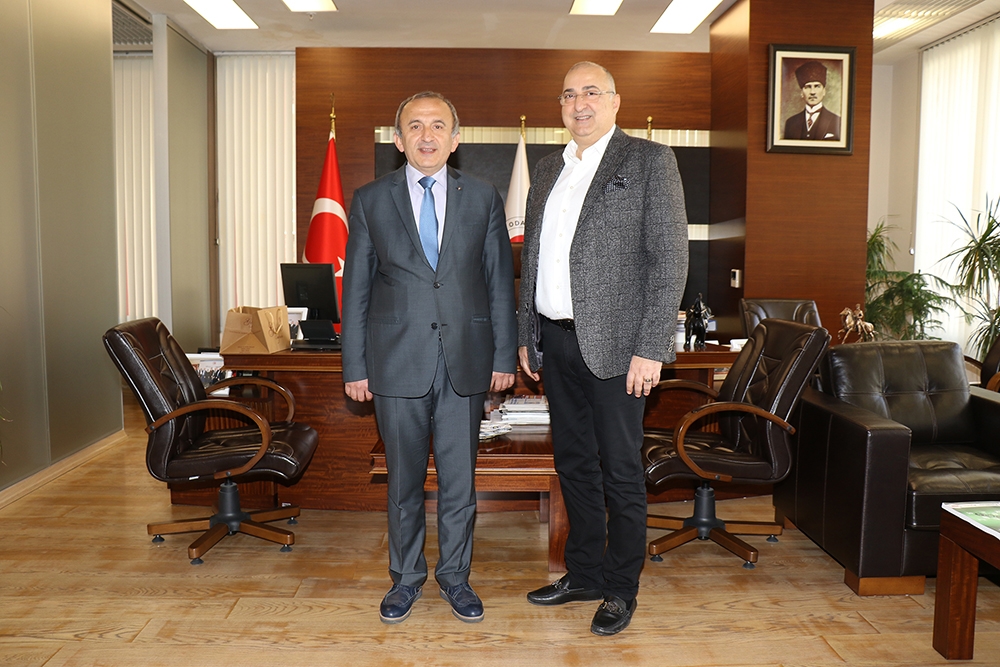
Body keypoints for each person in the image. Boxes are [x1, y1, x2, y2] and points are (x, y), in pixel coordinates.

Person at [517, 62, 688, 636]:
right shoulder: (549, 169)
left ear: (616, 101)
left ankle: (620, 587)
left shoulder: (649, 161)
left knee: (620, 470)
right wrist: (526, 335)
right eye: (569, 94)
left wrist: (651, 347)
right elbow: (532, 259)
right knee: (573, 466)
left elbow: (670, 260)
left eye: (592, 92)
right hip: (555, 342)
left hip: (620, 349)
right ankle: (585, 573)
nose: (580, 103)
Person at [341, 91, 517, 625]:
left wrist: (504, 356)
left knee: (460, 483)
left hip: (466, 360)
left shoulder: (483, 197)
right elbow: (357, 290)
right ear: (398, 140)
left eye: (438, 125)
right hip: (396, 363)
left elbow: (499, 284)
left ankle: (456, 578)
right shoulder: (370, 200)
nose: (426, 135)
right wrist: (355, 366)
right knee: (403, 483)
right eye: (414, 126)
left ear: (455, 139)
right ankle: (406, 578)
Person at [782, 60, 841, 141]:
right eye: (808, 87)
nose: (812, 92)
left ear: (824, 91)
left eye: (817, 86)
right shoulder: (791, 123)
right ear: (802, 93)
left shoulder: (837, 121)